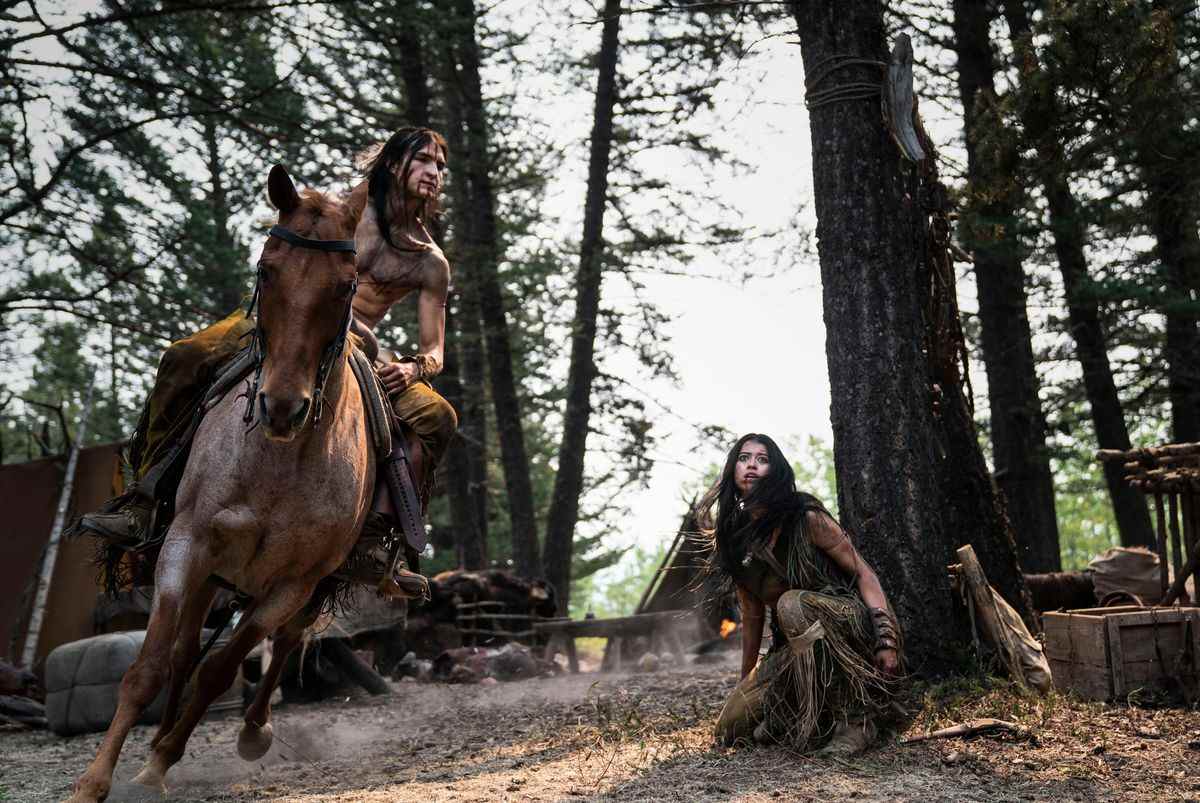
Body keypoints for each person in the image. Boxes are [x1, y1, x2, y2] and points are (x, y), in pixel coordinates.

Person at [79, 127, 457, 594]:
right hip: (285, 319)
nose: (435, 172)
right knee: (186, 356)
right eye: (424, 160)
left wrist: (414, 367)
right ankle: (142, 497)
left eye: (441, 165)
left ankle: (379, 541)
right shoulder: (347, 214)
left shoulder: (430, 260)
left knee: (438, 415)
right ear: (396, 163)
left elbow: (435, 348)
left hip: (358, 344)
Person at [700, 433, 904, 754]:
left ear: (776, 470)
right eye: (744, 457)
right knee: (732, 728)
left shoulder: (805, 517)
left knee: (791, 604)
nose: (751, 464)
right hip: (795, 646)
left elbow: (865, 574)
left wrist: (886, 639)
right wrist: (744, 684)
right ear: (733, 469)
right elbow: (753, 617)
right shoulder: (734, 540)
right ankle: (798, 715)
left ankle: (855, 718)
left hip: (847, 624)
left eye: (762, 459)